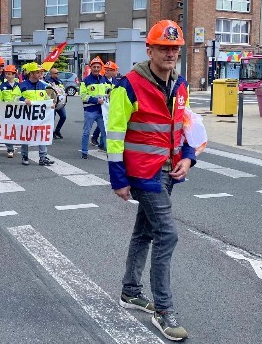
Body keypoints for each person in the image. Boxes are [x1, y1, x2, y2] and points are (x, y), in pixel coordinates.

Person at [107, 20, 195, 342]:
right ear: (150, 49)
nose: (170, 53)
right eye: (164, 48)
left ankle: (130, 291)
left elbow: (186, 127)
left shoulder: (181, 85)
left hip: (169, 171)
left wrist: (188, 157)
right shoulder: (127, 85)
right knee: (167, 235)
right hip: (143, 173)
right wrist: (118, 178)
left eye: (174, 48)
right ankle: (163, 309)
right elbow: (114, 136)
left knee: (144, 232)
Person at [19, 63, 55, 166]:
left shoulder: (44, 86)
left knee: (42, 134)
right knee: (25, 135)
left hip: (40, 116)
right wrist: (23, 99)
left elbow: (48, 99)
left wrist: (51, 104)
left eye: (41, 72)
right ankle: (25, 156)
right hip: (26, 116)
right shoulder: (22, 86)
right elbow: (15, 98)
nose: (40, 74)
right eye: (38, 72)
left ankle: (43, 157)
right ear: (31, 73)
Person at [80, 56, 108, 158]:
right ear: (91, 68)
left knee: (105, 131)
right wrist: (96, 100)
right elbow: (83, 96)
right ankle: (84, 152)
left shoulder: (103, 79)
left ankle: (107, 151)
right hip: (90, 110)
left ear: (101, 68)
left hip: (101, 111)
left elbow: (109, 91)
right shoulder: (86, 80)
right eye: (94, 67)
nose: (96, 69)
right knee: (86, 132)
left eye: (98, 67)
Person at [91, 61, 120, 147]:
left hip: (111, 105)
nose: (106, 71)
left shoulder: (115, 81)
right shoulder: (101, 80)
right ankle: (99, 141)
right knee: (103, 123)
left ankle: (99, 141)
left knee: (106, 123)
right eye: (106, 70)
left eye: (109, 70)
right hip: (102, 105)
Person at [0, 65, 22, 158]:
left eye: (9, 74)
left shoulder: (19, 86)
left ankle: (14, 145)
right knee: (7, 131)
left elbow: (22, 97)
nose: (7, 75)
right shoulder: (1, 87)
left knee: (16, 130)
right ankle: (10, 149)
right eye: (6, 74)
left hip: (18, 112)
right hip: (6, 112)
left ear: (14, 75)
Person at [46, 68, 66, 139]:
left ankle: (57, 130)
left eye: (58, 73)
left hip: (60, 103)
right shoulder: (48, 82)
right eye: (56, 73)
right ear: (51, 74)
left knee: (63, 117)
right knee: (52, 119)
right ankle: (51, 132)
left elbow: (62, 90)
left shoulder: (60, 81)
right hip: (53, 103)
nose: (57, 74)